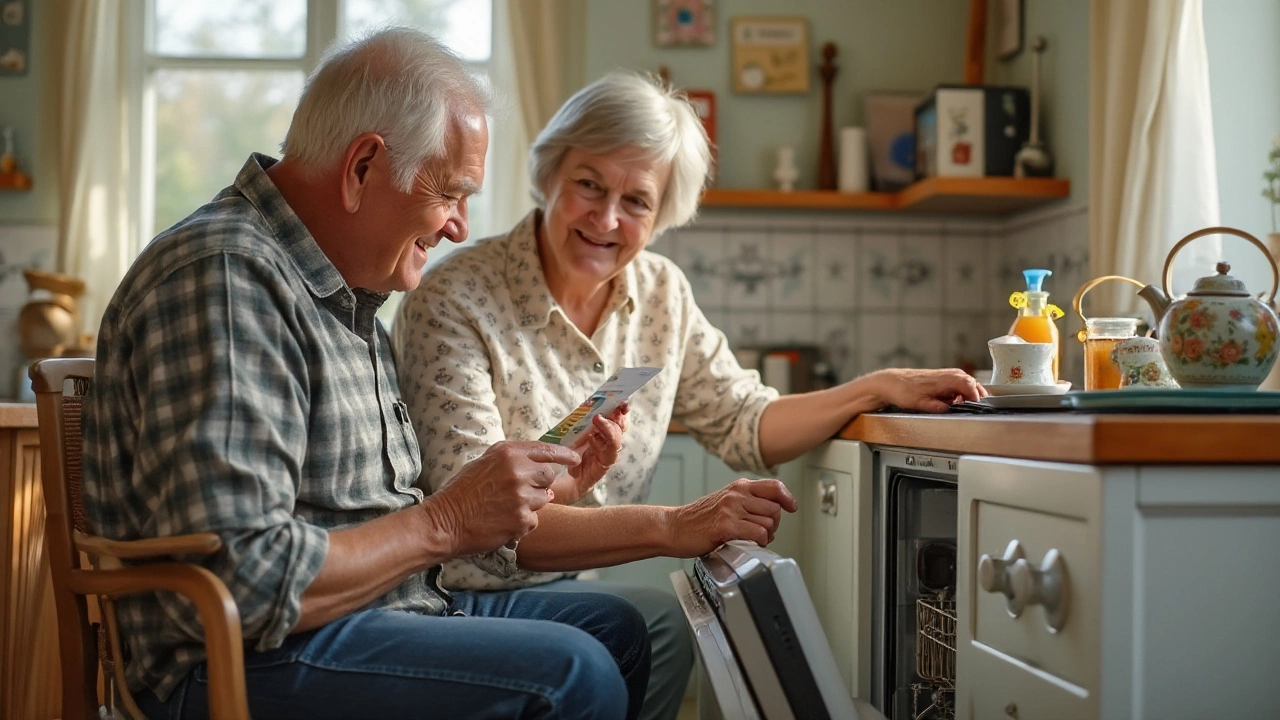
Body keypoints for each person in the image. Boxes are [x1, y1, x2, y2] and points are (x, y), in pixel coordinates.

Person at [82, 29, 650, 720]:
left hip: (369, 619)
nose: (458, 228)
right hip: (235, 664)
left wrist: (525, 497)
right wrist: (446, 520)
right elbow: (244, 580)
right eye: (451, 193)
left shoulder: (347, 298)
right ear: (362, 168)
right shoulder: (228, 276)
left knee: (616, 632)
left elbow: (385, 525)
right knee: (573, 673)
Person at [392, 70, 989, 720]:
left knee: (656, 628)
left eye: (637, 201)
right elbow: (481, 529)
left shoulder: (661, 296)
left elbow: (747, 422)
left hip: (551, 589)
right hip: (444, 595)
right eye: (589, 185)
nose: (608, 218)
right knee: (648, 625)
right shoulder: (454, 297)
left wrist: (876, 388)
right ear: (550, 174)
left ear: (664, 211)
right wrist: (676, 526)